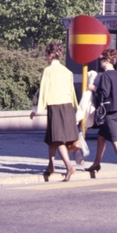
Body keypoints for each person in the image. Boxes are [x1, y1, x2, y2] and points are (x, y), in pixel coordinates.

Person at [31, 42, 79, 182]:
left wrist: (36, 109)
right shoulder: (67, 71)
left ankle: (69, 166)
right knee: (52, 138)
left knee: (58, 139)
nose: (46, 58)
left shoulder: (48, 71)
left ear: (51, 55)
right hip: (68, 106)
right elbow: (72, 92)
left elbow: (43, 90)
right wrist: (76, 109)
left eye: (46, 55)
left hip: (55, 106)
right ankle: (51, 166)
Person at [90, 47, 117, 180]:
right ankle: (96, 164)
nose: (100, 62)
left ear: (107, 60)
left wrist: (93, 88)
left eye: (102, 59)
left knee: (115, 140)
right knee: (101, 136)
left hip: (110, 113)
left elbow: (104, 94)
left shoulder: (105, 76)